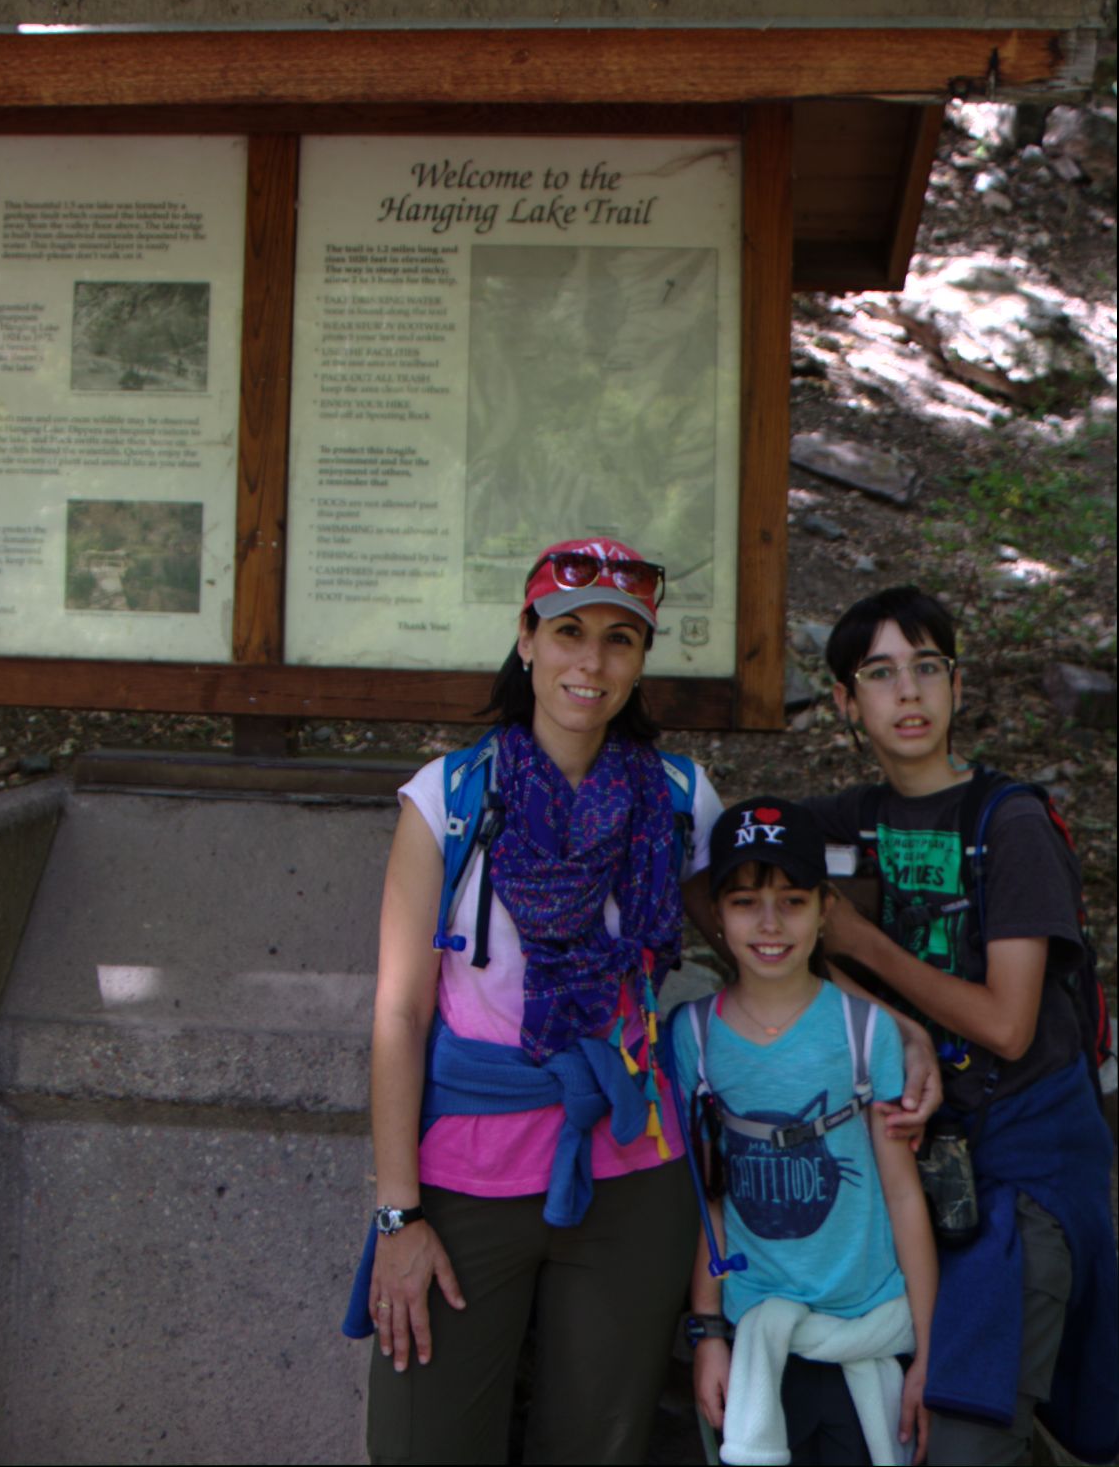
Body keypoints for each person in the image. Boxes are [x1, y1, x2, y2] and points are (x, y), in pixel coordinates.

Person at [350, 538, 939, 1467]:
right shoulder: (451, 800)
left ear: (642, 656)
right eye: (570, 631)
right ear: (527, 636)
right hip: (468, 1172)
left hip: (633, 1168)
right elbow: (398, 1015)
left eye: (620, 639)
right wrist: (397, 1214)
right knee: (424, 1441)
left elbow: (765, 939)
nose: (592, 662)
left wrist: (895, 1026)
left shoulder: (673, 798)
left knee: (597, 1443)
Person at [810, 584, 1118, 1467]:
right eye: (880, 673)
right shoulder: (847, 821)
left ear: (956, 683)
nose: (908, 693)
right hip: (911, 1173)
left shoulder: (1008, 823)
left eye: (927, 668)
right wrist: (881, 1010)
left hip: (1023, 1172)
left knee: (969, 1439)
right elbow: (734, 897)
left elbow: (1008, 1024)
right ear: (844, 699)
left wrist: (865, 941)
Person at [671, 795, 937, 1467]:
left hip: (867, 1331)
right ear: (718, 914)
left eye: (792, 900)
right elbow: (710, 1199)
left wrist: (930, 1354)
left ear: (825, 909)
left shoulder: (864, 1031)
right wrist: (707, 1332)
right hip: (757, 1336)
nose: (770, 923)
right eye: (744, 902)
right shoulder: (694, 1037)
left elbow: (904, 1197)